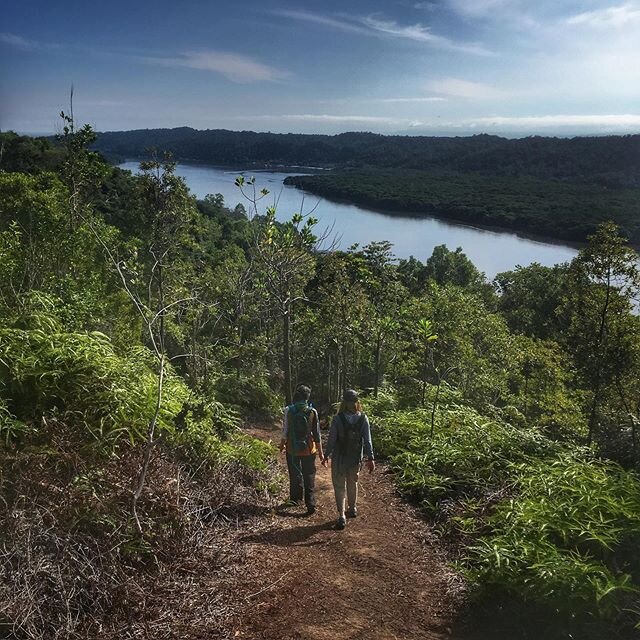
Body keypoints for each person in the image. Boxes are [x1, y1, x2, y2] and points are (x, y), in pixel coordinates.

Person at [322, 389, 375, 530]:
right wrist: (371, 458)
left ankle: (341, 516)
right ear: (357, 402)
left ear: (343, 402)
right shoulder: (363, 418)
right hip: (355, 458)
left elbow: (332, 439)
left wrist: (326, 455)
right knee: (353, 483)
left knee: (339, 486)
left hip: (340, 458)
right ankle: (352, 508)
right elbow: (367, 440)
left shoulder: (338, 418)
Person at [279, 384, 323, 515]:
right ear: (308, 397)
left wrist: (282, 445)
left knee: (294, 473)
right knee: (309, 474)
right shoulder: (312, 412)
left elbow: (285, 430)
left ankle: (295, 499)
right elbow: (317, 434)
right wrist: (321, 452)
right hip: (309, 449)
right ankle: (310, 504)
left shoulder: (288, 410)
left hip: (292, 448)